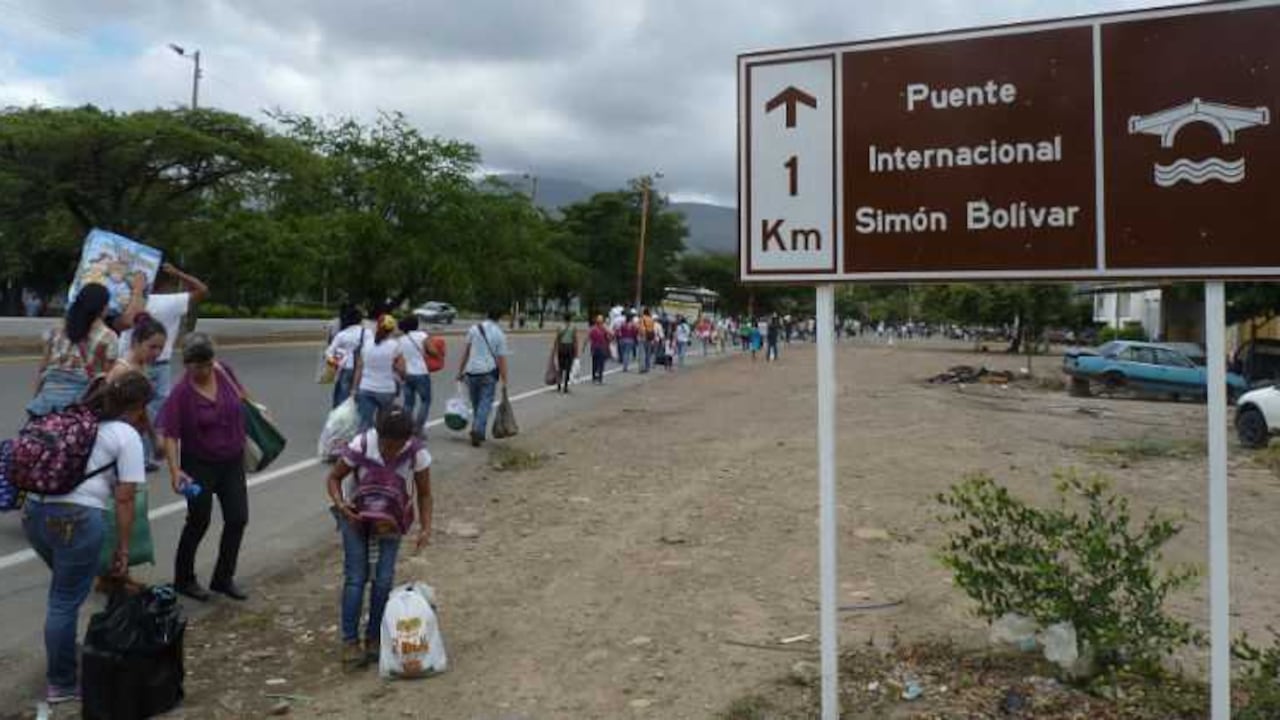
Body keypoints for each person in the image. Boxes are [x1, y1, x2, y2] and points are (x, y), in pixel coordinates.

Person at [23, 372, 151, 704]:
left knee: (64, 592)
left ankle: (65, 650)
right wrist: (123, 549)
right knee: (64, 600)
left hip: (35, 513)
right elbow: (125, 499)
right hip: (76, 519)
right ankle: (62, 682)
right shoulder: (126, 435)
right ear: (138, 406)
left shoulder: (76, 419)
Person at [326, 407, 433, 669]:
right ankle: (350, 642)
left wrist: (426, 527)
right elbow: (334, 478)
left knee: (383, 580)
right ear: (378, 435)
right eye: (387, 444)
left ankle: (374, 637)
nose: (392, 450)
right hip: (356, 519)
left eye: (398, 445)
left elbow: (425, 493)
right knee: (356, 577)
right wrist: (341, 505)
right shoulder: (361, 445)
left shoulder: (416, 453)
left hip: (389, 522)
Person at [158, 334, 251, 602]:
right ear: (186, 364)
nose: (204, 370)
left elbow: (242, 397)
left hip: (232, 461)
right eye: (197, 366)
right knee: (198, 521)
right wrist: (176, 471)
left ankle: (223, 578)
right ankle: (184, 579)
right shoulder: (181, 393)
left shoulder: (224, 372)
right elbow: (171, 435)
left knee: (237, 518)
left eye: (207, 364)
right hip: (198, 465)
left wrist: (256, 411)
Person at [118, 263, 209, 442]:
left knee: (132, 409)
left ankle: (135, 451)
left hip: (129, 361)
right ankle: (147, 452)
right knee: (155, 411)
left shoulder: (128, 300)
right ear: (167, 284)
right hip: (160, 364)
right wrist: (179, 273)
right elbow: (203, 290)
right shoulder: (172, 302)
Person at [28, 284, 120, 418]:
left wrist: (35, 401)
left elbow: (43, 369)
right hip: (78, 408)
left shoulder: (56, 330)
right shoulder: (108, 337)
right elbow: (106, 380)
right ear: (103, 307)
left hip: (46, 402)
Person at [456, 309, 510, 447]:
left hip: (471, 372)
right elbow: (501, 359)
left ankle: (478, 430)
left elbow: (466, 352)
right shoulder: (499, 334)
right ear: (500, 318)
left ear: (487, 315)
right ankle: (478, 430)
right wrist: (505, 380)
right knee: (485, 404)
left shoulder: (474, 329)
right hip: (488, 373)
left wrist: (460, 371)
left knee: (476, 405)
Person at [352, 315, 406, 431]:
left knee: (364, 423)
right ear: (391, 329)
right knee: (384, 423)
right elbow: (402, 370)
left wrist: (354, 389)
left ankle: (363, 445)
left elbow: (359, 368)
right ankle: (379, 445)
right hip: (386, 390)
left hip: (366, 388)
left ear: (377, 327)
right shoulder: (395, 346)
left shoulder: (367, 344)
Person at [398, 316, 438, 437]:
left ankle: (405, 428)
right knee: (425, 401)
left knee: (408, 403)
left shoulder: (400, 339)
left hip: (406, 374)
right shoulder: (422, 336)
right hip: (420, 372)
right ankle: (418, 429)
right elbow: (433, 352)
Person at [326, 307, 366, 409]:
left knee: (343, 395)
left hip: (345, 368)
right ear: (360, 319)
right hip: (362, 369)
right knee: (358, 393)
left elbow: (328, 352)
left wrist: (336, 363)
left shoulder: (342, 334)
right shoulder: (367, 333)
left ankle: (341, 417)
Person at [552, 313, 578, 394]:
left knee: (560, 367)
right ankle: (566, 386)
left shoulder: (560, 327)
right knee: (568, 368)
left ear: (564, 319)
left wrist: (555, 349)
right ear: (570, 319)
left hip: (561, 348)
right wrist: (576, 351)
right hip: (569, 347)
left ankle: (559, 384)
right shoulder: (573, 327)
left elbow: (557, 339)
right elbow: (575, 340)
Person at [585, 315, 611, 385]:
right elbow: (610, 335)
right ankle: (599, 378)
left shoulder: (593, 329)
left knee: (595, 363)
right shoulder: (604, 329)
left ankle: (594, 377)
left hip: (594, 347)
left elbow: (587, 338)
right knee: (600, 363)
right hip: (602, 347)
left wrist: (584, 347)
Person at [639, 308, 659, 373]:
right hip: (650, 336)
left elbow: (642, 328)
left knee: (642, 353)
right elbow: (653, 328)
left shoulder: (642, 319)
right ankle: (648, 367)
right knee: (648, 352)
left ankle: (642, 367)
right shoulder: (651, 319)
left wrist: (642, 335)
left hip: (644, 336)